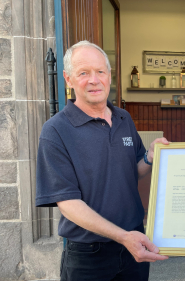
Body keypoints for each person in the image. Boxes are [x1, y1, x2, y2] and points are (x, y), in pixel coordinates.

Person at [36, 40, 168, 281]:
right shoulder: (55, 131)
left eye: (100, 71)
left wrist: (149, 158)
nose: (94, 80)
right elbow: (68, 203)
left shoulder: (123, 118)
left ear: (109, 75)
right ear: (68, 79)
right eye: (83, 73)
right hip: (89, 254)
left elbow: (134, 170)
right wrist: (123, 236)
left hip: (134, 244)